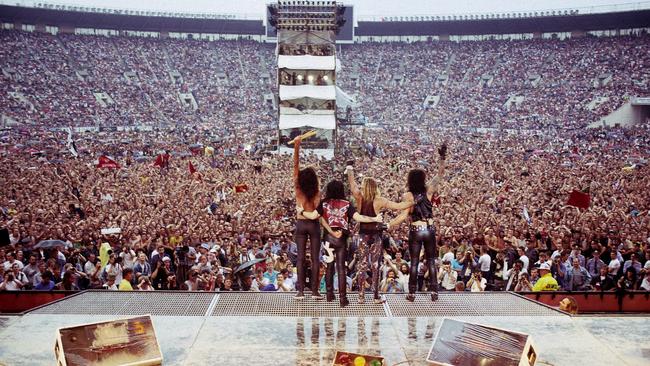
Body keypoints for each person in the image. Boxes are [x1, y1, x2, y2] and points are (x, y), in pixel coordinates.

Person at [346, 163, 413, 304]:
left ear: (364, 186)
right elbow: (399, 206)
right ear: (375, 187)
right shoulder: (380, 201)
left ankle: (361, 296)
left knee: (362, 265)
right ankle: (376, 296)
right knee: (375, 265)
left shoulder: (359, 197)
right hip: (376, 236)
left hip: (363, 235)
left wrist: (350, 170)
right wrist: (414, 201)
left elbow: (352, 185)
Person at [389, 142, 447, 302]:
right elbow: (440, 174)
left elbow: (404, 215)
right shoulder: (428, 189)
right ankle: (434, 292)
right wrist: (442, 157)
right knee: (430, 260)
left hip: (415, 229)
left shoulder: (408, 196)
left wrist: (389, 224)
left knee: (414, 262)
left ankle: (412, 293)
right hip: (429, 228)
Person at [316, 179, 382, 307]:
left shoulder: (323, 203)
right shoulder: (346, 204)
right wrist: (374, 218)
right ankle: (343, 298)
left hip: (328, 239)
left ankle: (329, 295)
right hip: (342, 239)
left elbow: (316, 216)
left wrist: (301, 211)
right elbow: (358, 218)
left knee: (329, 266)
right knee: (341, 268)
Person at [292, 135, 322, 300]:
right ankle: (315, 291)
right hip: (314, 224)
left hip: (301, 224)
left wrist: (297, 146)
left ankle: (301, 291)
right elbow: (318, 209)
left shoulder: (297, 186)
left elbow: (296, 165)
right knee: (315, 258)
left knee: (301, 258)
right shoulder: (317, 192)